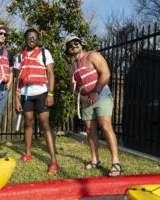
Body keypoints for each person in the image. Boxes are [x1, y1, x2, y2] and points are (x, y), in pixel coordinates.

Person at [66, 36, 122, 177]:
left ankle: (115, 162)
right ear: (68, 50)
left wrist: (96, 92)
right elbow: (73, 89)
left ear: (81, 45)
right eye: (70, 45)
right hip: (87, 101)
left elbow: (106, 73)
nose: (74, 45)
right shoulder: (72, 68)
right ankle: (95, 160)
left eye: (76, 42)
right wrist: (82, 97)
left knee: (105, 126)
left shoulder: (93, 56)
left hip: (102, 96)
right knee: (90, 130)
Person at [15, 28, 58, 176]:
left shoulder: (45, 53)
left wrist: (50, 94)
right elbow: (17, 78)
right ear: (25, 39)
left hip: (42, 93)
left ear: (37, 39)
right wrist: (16, 99)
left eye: (34, 37)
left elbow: (51, 74)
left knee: (45, 123)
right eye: (29, 37)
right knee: (28, 122)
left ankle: (53, 160)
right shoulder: (20, 56)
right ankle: (28, 153)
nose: (32, 39)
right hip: (26, 94)